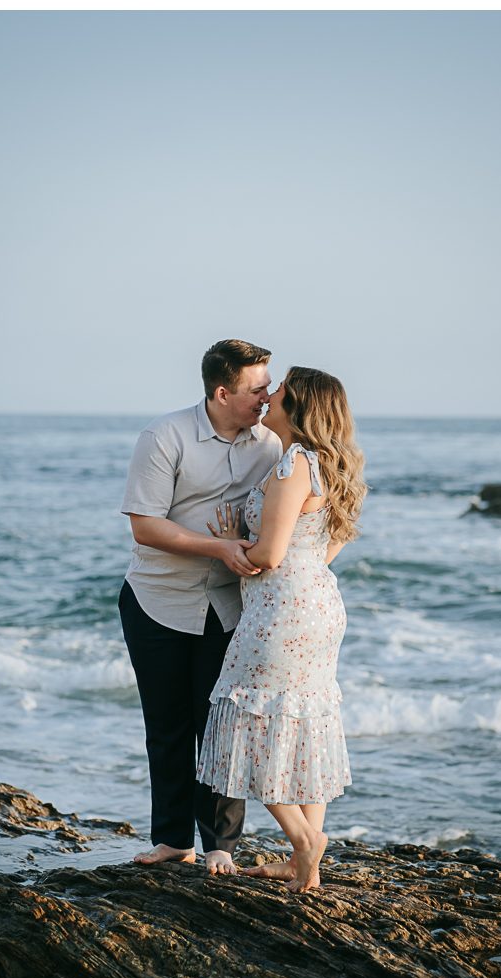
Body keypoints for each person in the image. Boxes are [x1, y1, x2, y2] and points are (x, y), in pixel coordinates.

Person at [197, 366, 367, 892]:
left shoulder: (294, 464)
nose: (270, 396)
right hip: (319, 606)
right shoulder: (332, 467)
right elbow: (327, 547)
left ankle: (302, 840)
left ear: (301, 408)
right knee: (302, 720)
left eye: (281, 390)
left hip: (280, 613)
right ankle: (304, 865)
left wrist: (233, 545)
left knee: (249, 717)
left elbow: (270, 555)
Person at [119, 339, 282, 874]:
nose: (267, 396)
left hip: (231, 607)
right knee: (166, 726)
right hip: (157, 601)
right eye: (257, 389)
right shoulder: (164, 436)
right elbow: (145, 526)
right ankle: (171, 839)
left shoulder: (272, 444)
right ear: (222, 391)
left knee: (221, 726)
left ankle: (221, 846)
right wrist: (219, 546)